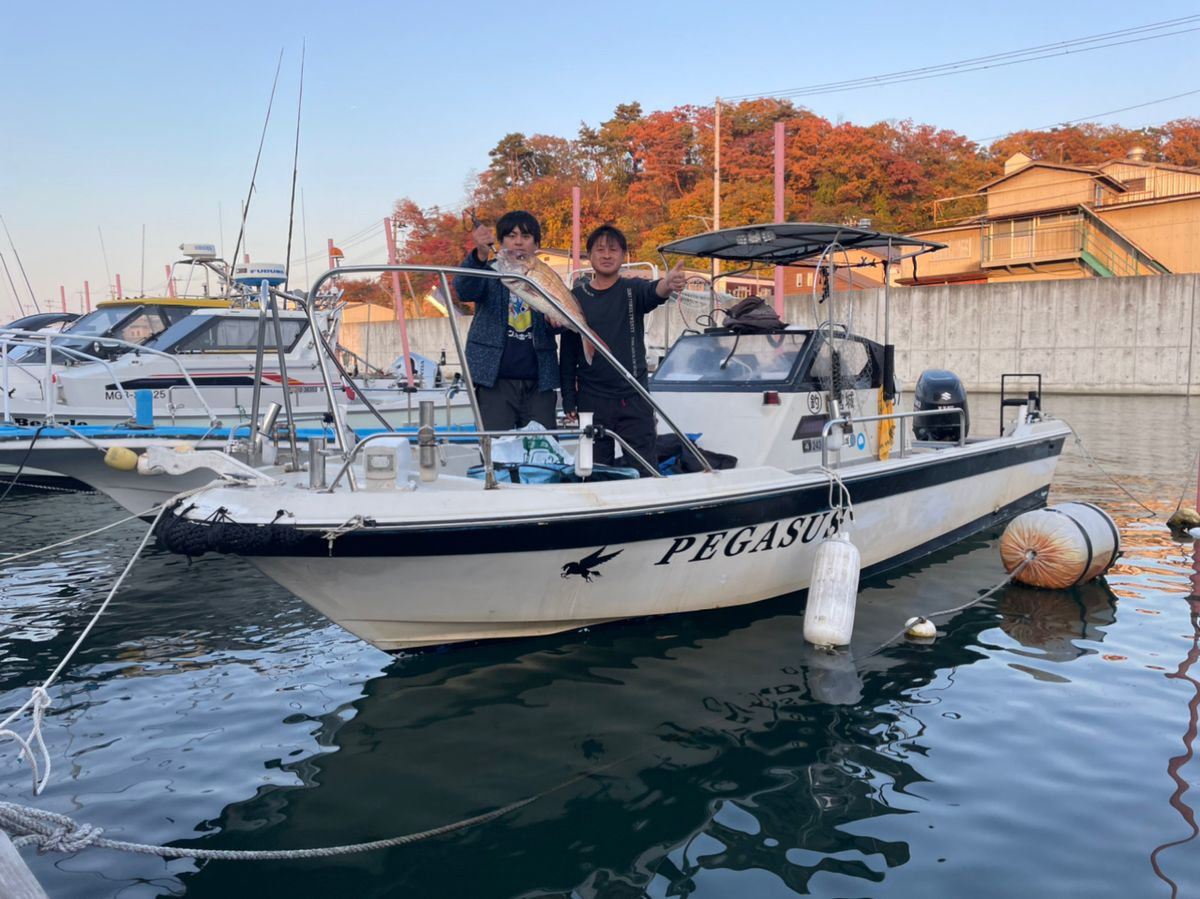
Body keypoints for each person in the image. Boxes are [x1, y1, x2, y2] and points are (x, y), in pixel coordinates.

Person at [560, 224, 686, 474]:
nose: (607, 255)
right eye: (600, 250)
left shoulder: (632, 289)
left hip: (634, 396)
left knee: (645, 469)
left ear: (623, 256)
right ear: (589, 256)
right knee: (592, 472)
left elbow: (655, 291)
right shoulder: (576, 297)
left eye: (613, 250)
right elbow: (567, 352)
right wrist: (568, 398)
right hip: (591, 399)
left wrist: (668, 283)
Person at [452, 211, 560, 430]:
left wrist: (556, 323)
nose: (519, 241)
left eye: (526, 236)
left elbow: (560, 321)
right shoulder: (490, 270)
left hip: (540, 381)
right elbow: (464, 289)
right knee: (497, 454)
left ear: (536, 244)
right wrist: (480, 255)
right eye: (511, 236)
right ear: (500, 242)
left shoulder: (545, 275)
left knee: (543, 453)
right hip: (494, 380)